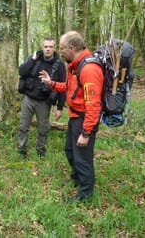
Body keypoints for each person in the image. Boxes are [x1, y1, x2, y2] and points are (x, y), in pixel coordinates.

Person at [39, 31, 104, 202]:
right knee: (70, 151)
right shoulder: (74, 65)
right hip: (75, 116)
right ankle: (76, 178)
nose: (59, 52)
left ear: (72, 47)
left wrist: (86, 132)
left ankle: (85, 195)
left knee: (83, 158)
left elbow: (93, 104)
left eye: (61, 48)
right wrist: (51, 83)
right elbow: (69, 88)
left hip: (84, 120)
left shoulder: (89, 69)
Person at [18, 37, 66, 158]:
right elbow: (22, 72)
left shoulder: (59, 65)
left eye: (50, 47)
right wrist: (32, 60)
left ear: (54, 48)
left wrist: (60, 108)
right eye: (46, 46)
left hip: (44, 102)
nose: (48, 49)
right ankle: (21, 151)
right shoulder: (34, 57)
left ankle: (41, 152)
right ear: (42, 47)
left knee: (43, 129)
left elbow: (64, 87)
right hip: (28, 99)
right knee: (23, 126)